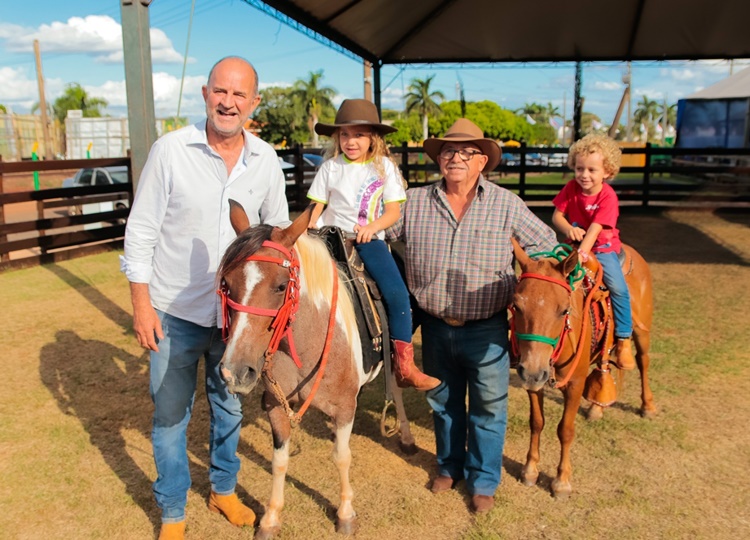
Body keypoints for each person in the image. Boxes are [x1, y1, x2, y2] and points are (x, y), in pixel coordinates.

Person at [120, 56, 289, 540]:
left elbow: (276, 234)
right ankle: (173, 512)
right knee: (171, 415)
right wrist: (141, 303)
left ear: (254, 103)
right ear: (204, 93)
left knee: (230, 407)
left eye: (239, 95)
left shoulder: (265, 159)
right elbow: (141, 232)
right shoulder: (171, 150)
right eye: (221, 91)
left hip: (235, 320)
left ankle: (223, 490)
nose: (228, 102)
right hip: (174, 311)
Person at [387, 118, 557, 514]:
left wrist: (555, 268)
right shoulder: (413, 202)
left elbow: (547, 246)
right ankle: (449, 466)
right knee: (443, 402)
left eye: (466, 152)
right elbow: (379, 234)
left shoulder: (505, 204)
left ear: (482, 161)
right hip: (433, 324)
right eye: (448, 151)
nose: (456, 158)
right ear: (438, 159)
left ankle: (483, 480)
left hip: (487, 327)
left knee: (489, 406)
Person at [306, 98, 439, 391]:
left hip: (367, 239)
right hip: (328, 238)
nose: (350, 141)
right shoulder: (330, 168)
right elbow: (317, 205)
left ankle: (404, 364)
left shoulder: (384, 169)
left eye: (359, 134)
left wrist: (371, 228)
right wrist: (309, 227)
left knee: (397, 292)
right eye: (344, 134)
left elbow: (392, 211)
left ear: (372, 138)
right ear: (336, 138)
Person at [551, 133, 636, 370]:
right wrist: (568, 228)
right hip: (574, 245)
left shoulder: (608, 196)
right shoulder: (571, 188)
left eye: (591, 170)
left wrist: (582, 253)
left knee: (619, 289)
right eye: (579, 169)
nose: (584, 175)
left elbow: (597, 228)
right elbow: (557, 215)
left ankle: (623, 339)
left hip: (602, 248)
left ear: (607, 172)